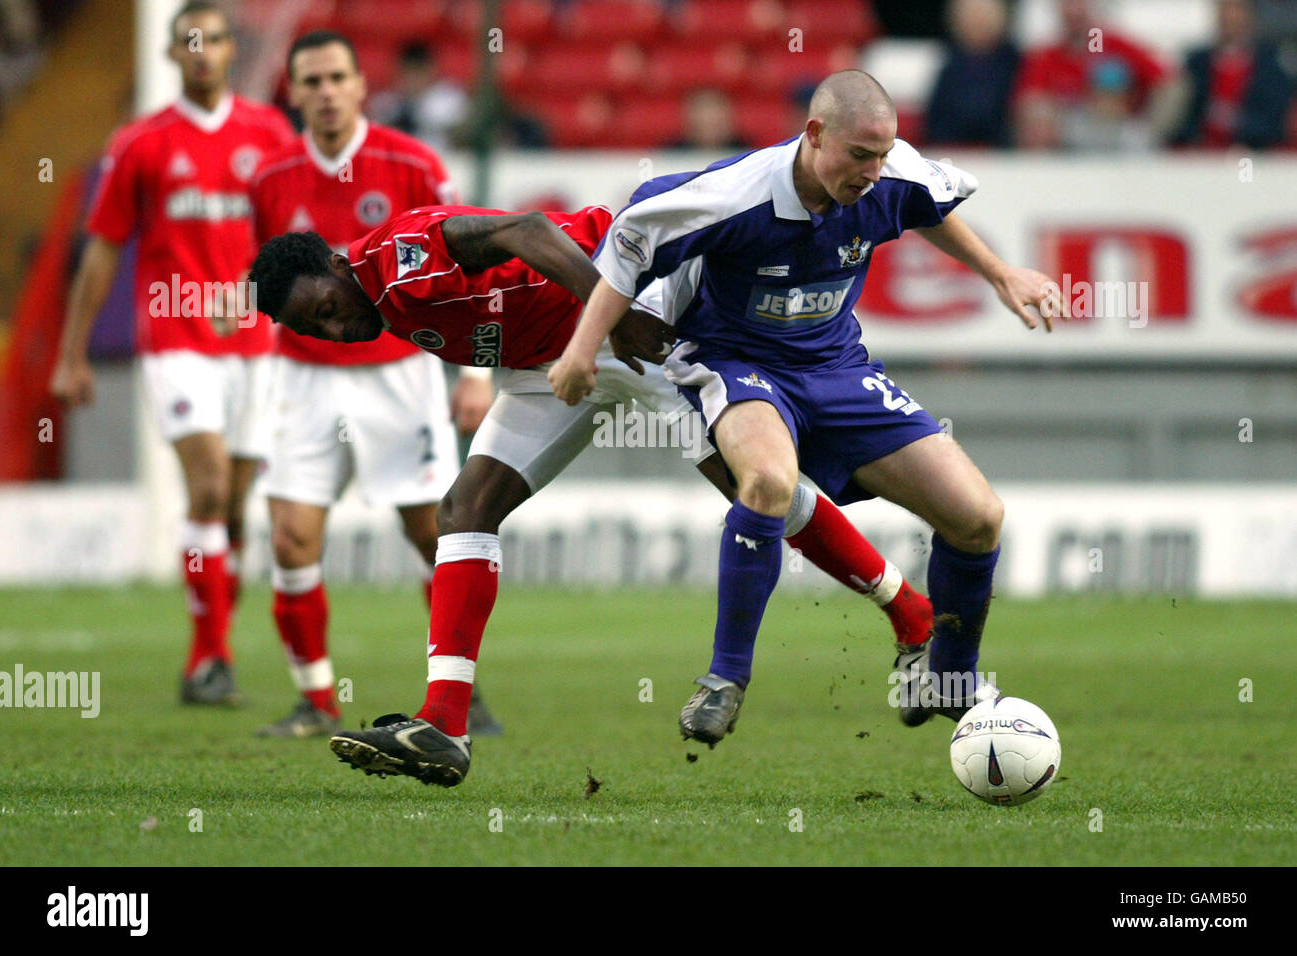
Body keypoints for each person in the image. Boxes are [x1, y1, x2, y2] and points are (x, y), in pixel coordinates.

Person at [247, 202, 936, 785]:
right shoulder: (377, 306)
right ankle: (444, 726)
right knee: (466, 509)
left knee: (758, 492)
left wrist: (622, 311)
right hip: (549, 363)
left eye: (328, 308)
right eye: (320, 331)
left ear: (335, 266)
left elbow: (528, 231)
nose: (338, 329)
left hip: (628, 317)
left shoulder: (398, 258)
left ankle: (912, 613)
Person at [548, 70, 1065, 749]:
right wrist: (583, 351)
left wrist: (1002, 273)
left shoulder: (889, 177)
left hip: (837, 366)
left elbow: (928, 208)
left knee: (978, 517)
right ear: (814, 135)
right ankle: (724, 678)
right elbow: (629, 239)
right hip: (734, 360)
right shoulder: (732, 195)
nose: (874, 174)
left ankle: (947, 680)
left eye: (883, 156)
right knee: (767, 482)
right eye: (859, 157)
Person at [248, 30, 498, 738]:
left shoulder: (411, 162)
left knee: (433, 534)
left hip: (398, 374)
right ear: (292, 93)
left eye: (336, 78)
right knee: (292, 540)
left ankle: (459, 692)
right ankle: (315, 700)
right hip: (302, 381)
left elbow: (471, 261)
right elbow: (263, 288)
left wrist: (474, 373)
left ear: (360, 85)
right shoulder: (268, 179)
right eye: (310, 81)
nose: (324, 92)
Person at [50, 0, 293, 705]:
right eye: (190, 41)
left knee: (241, 508)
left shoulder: (270, 134)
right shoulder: (141, 143)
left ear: (229, 50)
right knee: (209, 487)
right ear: (171, 55)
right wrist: (72, 355)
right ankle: (206, 659)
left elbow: (289, 236)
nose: (203, 51)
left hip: (257, 341)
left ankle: (218, 637)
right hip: (176, 336)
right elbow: (101, 252)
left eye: (214, 39)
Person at [1013, 0, 1175, 150]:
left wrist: (1152, 130)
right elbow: (1031, 103)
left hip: (1123, 139)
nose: (1074, 11)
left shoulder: (1114, 45)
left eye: (1080, 4)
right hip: (1067, 146)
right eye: (1067, 4)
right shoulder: (1045, 57)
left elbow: (1169, 82)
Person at [1171, 0, 1291, 151]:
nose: (1229, 16)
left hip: (1254, 159)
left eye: (1236, 9)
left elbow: (1275, 124)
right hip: (1200, 158)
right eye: (1224, 9)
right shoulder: (1196, 65)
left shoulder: (1271, 68)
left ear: (1250, 15)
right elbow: (1181, 121)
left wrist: (1236, 123)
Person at [923, 0, 1020, 147]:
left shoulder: (1016, 64)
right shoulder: (947, 65)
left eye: (984, 14)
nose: (977, 21)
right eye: (970, 15)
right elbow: (936, 122)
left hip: (1006, 154)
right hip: (953, 152)